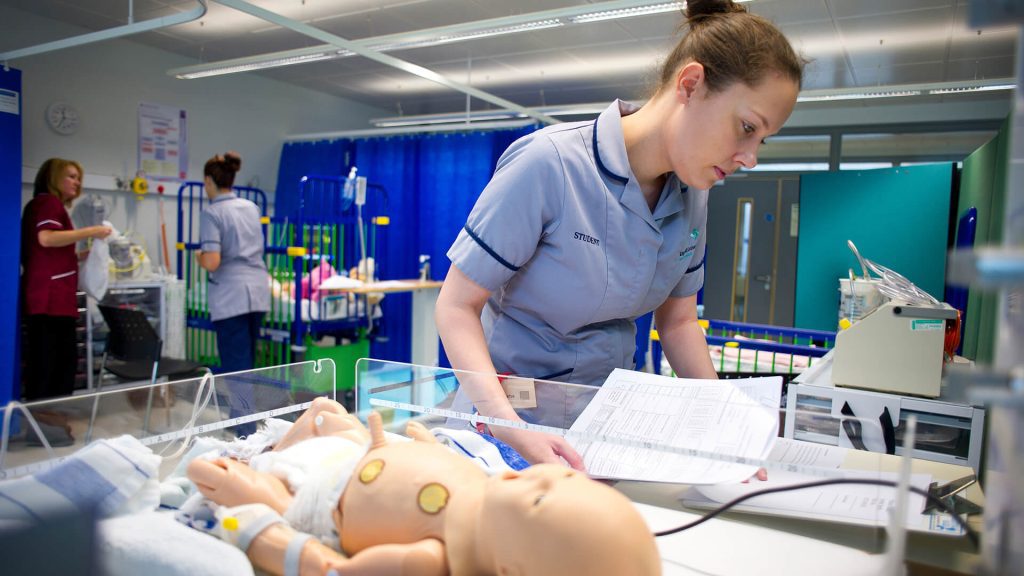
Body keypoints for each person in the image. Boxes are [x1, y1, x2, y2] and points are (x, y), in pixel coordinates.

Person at [435, 0, 804, 469]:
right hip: (507, 425)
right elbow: (456, 305)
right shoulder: (549, 165)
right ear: (690, 85)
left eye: (760, 140)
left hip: (606, 429)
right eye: (746, 128)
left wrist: (725, 426)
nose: (750, 157)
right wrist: (511, 427)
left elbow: (679, 323)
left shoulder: (692, 196)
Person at [187, 398, 661, 576]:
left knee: (211, 473)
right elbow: (443, 469)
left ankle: (260, 475)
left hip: (319, 502)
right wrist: (416, 446)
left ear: (509, 571)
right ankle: (268, 452)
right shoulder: (487, 492)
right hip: (359, 456)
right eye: (560, 477)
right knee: (324, 409)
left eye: (539, 498)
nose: (531, 473)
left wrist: (301, 549)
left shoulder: (431, 559)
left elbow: (339, 568)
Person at [20, 158, 111, 401]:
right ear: (54, 177)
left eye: (78, 177)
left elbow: (51, 252)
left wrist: (85, 255)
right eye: (71, 176)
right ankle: (48, 423)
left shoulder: (41, 206)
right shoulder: (48, 204)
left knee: (52, 363)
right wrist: (93, 230)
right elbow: (46, 239)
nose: (77, 182)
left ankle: (50, 422)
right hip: (49, 300)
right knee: (54, 365)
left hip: (51, 298)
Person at [197, 152, 270, 425]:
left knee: (235, 366)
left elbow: (213, 261)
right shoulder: (251, 207)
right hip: (257, 290)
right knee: (248, 361)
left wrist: (199, 258)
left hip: (231, 294)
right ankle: (243, 420)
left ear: (208, 181)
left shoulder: (212, 212)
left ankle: (245, 430)